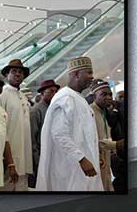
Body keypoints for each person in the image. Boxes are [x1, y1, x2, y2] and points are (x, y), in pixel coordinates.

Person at [37, 56, 103, 192]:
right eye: (89, 73)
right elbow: (59, 134)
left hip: (83, 167)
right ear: (76, 74)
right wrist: (81, 159)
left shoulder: (78, 98)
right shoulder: (65, 98)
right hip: (70, 169)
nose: (92, 76)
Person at [0, 58, 32, 191]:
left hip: (25, 155)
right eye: (14, 71)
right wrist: (7, 160)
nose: (18, 74)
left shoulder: (23, 96)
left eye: (20, 72)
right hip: (9, 158)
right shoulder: (2, 96)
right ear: (7, 75)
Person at [28, 79, 59, 189]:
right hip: (41, 157)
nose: (54, 94)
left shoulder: (55, 108)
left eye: (56, 91)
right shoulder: (36, 111)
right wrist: (38, 161)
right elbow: (32, 139)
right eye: (51, 91)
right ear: (42, 93)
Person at [88, 80, 117, 192]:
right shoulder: (90, 112)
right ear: (94, 96)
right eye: (103, 94)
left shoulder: (103, 112)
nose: (108, 97)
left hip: (106, 158)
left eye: (110, 94)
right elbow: (92, 141)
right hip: (96, 160)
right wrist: (116, 145)